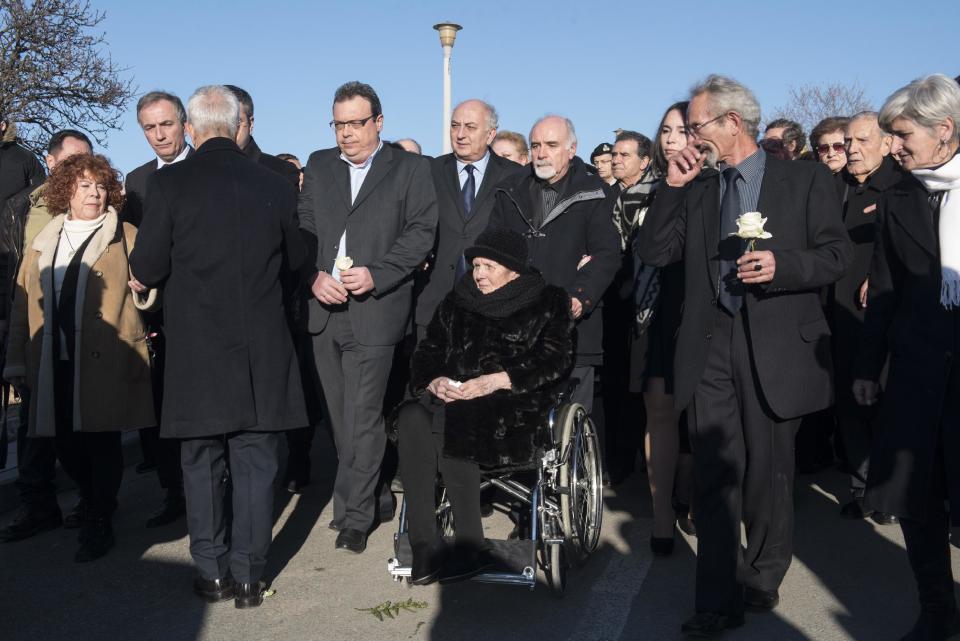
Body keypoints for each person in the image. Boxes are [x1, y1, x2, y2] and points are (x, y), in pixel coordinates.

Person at [637, 75, 852, 637]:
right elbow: (656, 252)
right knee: (714, 468)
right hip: (710, 342)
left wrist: (785, 267)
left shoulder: (801, 178)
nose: (691, 137)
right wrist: (673, 188)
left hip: (777, 340)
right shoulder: (699, 186)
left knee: (769, 467)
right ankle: (715, 596)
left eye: (699, 126)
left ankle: (761, 571)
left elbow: (835, 255)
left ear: (732, 123)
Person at [130, 85, 307, 608]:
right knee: (256, 464)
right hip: (262, 349)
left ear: (192, 129)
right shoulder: (275, 183)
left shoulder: (169, 185)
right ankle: (250, 576)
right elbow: (297, 259)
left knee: (201, 462)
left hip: (197, 351)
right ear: (236, 126)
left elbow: (147, 266)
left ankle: (210, 571)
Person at [298, 81, 437, 554]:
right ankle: (375, 493)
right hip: (323, 306)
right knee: (339, 419)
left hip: (377, 310)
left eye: (356, 123)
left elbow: (421, 232)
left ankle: (353, 515)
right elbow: (305, 227)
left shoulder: (411, 169)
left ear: (379, 121)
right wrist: (314, 275)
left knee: (363, 415)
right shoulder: (318, 165)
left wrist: (377, 274)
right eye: (339, 124)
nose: (346, 134)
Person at [397, 227, 574, 584]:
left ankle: (469, 546)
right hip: (454, 396)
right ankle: (424, 545)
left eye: (488, 266)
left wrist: (497, 380)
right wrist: (434, 380)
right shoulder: (457, 300)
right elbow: (427, 352)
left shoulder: (548, 301)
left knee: (456, 418)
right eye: (475, 265)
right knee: (411, 415)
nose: (478, 274)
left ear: (513, 269)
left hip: (515, 405)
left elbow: (555, 360)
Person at [4, 153, 157, 562]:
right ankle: (92, 499)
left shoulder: (124, 234)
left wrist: (145, 288)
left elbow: (150, 286)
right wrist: (16, 359)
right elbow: (22, 308)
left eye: (101, 186)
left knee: (101, 441)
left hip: (106, 357)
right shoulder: (42, 242)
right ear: (65, 191)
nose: (94, 193)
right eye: (84, 185)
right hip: (53, 358)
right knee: (65, 444)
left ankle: (98, 516)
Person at [853, 73, 960, 641]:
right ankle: (938, 612)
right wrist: (869, 369)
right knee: (918, 502)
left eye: (902, 134)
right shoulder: (898, 197)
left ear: (944, 131)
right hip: (918, 372)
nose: (894, 146)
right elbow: (886, 287)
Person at [488, 115, 620, 413]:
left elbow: (607, 253)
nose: (541, 153)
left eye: (551, 145)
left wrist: (580, 296)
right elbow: (492, 247)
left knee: (566, 421)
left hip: (570, 328)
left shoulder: (596, 192)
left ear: (571, 150)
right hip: (514, 325)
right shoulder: (509, 190)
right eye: (535, 145)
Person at [0, 130, 93, 543]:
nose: (80, 168)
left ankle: (93, 499)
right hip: (36, 328)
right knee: (33, 424)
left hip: (87, 331)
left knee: (83, 423)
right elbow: (12, 272)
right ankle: (38, 504)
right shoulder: (21, 207)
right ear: (51, 162)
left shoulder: (102, 203)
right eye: (72, 159)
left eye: (87, 159)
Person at [225, 84, 318, 494]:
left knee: (288, 388)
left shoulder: (278, 173)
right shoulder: (204, 169)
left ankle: (298, 456)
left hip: (277, 302)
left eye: (238, 122)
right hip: (224, 309)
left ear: (249, 121)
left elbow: (295, 241)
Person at [122, 90, 191, 529]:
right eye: (150, 127)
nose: (159, 134)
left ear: (184, 123)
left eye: (166, 124)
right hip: (158, 312)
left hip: (202, 308)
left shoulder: (207, 168)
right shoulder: (139, 180)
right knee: (163, 403)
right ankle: (174, 491)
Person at [628, 103, 694, 555]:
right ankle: (663, 516)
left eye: (682, 130)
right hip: (655, 309)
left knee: (698, 417)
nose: (671, 138)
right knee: (661, 410)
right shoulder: (646, 192)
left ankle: (689, 497)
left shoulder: (718, 186)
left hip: (700, 308)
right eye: (666, 130)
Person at [832, 112, 903, 525]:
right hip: (838, 315)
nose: (852, 149)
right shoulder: (836, 188)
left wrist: (878, 276)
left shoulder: (900, 186)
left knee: (884, 402)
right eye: (847, 141)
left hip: (883, 317)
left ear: (886, 143)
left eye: (861, 140)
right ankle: (862, 490)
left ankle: (890, 492)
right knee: (849, 403)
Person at [416, 99, 519, 333]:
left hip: (493, 307)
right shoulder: (429, 172)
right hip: (434, 304)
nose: (460, 134)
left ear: (491, 134)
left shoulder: (515, 177)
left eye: (470, 127)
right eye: (455, 125)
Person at [225, 85, 301, 190]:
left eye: (237, 122)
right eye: (223, 122)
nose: (229, 129)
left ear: (251, 124)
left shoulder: (282, 172)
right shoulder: (200, 169)